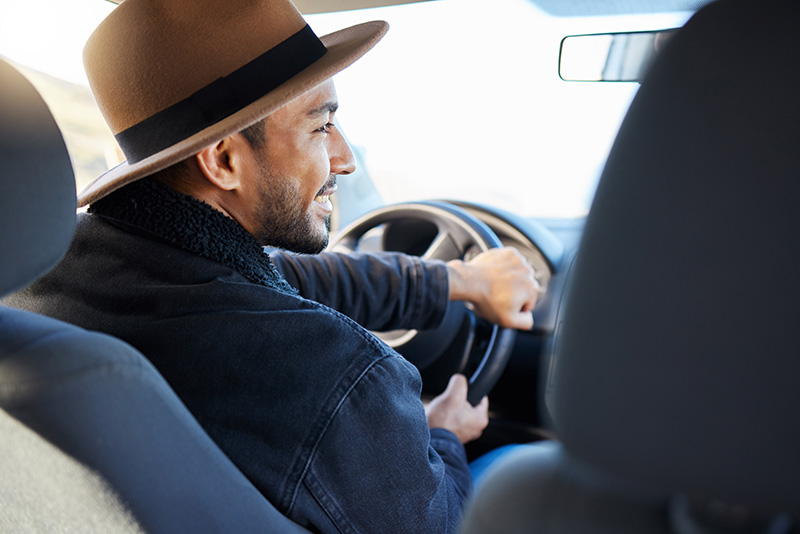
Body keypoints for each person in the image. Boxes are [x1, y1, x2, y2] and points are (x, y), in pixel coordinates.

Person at [6, 0, 539, 531]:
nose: (345, 157)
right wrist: (444, 435)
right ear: (224, 160)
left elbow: (284, 274)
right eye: (321, 126)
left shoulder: (41, 289)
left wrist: (456, 280)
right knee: (519, 473)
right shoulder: (332, 376)